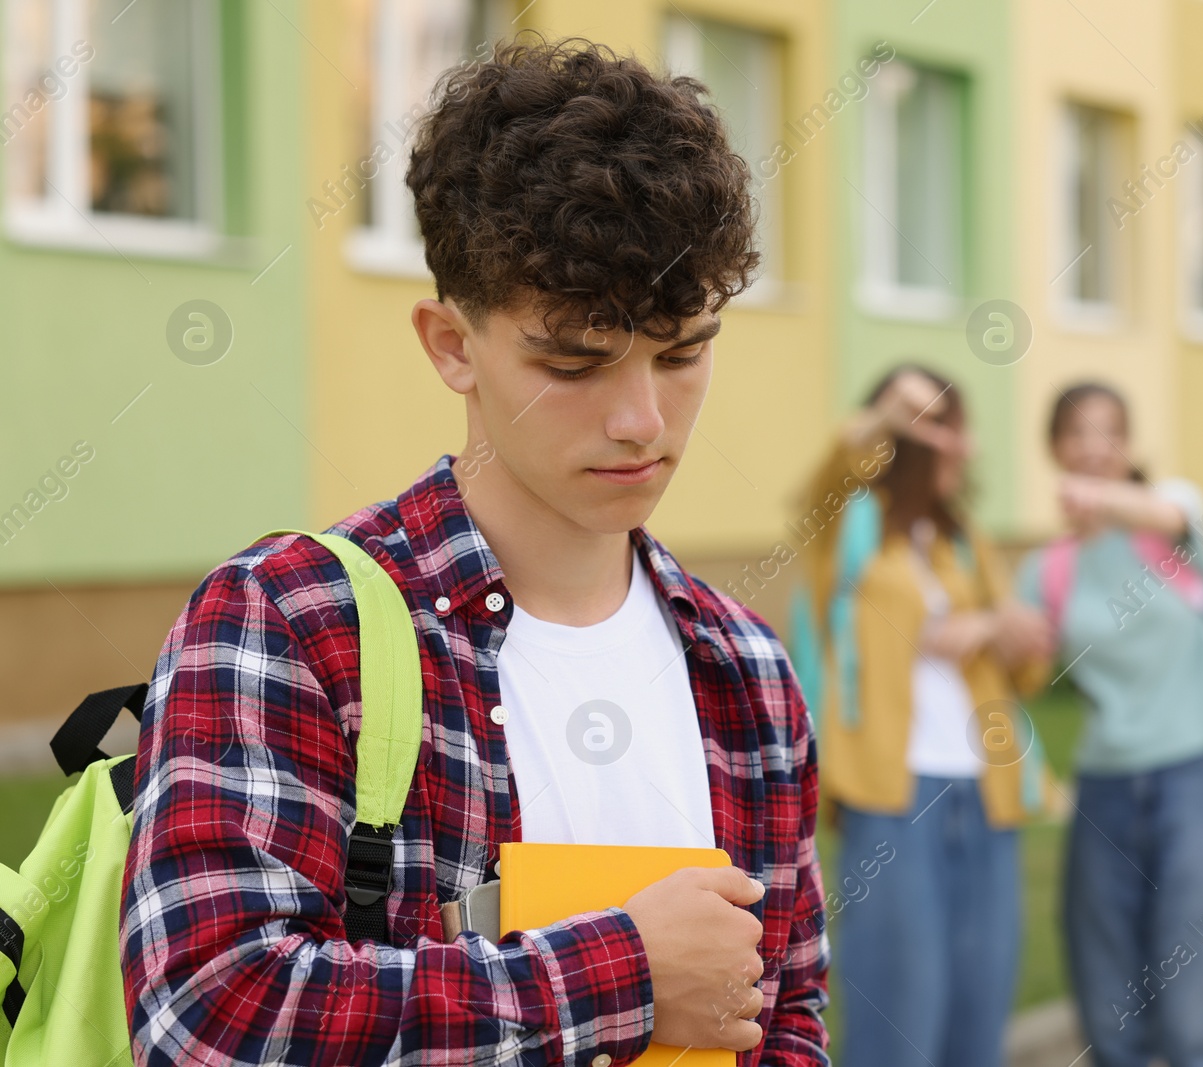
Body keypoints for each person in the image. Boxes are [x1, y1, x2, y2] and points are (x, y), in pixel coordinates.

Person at [119, 38, 827, 1067]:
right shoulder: (288, 619)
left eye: (683, 350)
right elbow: (210, 1019)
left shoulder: (748, 671)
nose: (641, 417)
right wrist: (625, 973)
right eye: (574, 359)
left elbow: (787, 1016)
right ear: (451, 343)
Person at [788, 365, 1054, 1067]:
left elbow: (1023, 670)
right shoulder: (848, 527)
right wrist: (892, 418)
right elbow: (830, 474)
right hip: (892, 795)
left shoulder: (963, 539)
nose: (956, 444)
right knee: (899, 1019)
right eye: (935, 426)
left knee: (978, 1015)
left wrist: (1001, 627)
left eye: (956, 426)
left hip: (987, 793)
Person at [1013, 381, 1203, 1067]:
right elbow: (1019, 669)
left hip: (1201, 777)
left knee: (1193, 1027)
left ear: (1129, 446)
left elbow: (1166, 511)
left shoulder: (1170, 517)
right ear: (1053, 447)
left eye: (1109, 432)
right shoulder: (1047, 569)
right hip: (1105, 790)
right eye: (1077, 433)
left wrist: (1099, 500)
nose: (1094, 446)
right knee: (1111, 1025)